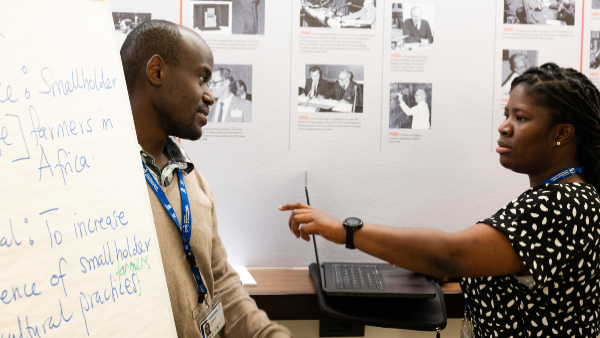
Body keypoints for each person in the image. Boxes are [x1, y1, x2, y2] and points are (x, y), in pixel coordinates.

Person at [280, 63, 600, 337]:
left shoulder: (561, 204)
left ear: (562, 134)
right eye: (506, 114)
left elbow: (454, 253)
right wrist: (446, 267)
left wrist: (345, 231)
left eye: (521, 118)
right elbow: (520, 275)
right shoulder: (565, 197)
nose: (504, 127)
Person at [120, 20, 290, 338]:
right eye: (201, 78)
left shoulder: (193, 181)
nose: (210, 97)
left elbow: (219, 279)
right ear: (156, 71)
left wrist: (267, 334)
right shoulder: (100, 182)